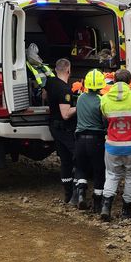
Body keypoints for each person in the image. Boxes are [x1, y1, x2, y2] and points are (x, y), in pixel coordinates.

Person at [99, 69, 131, 221]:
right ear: (130, 82)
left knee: (112, 175)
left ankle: (106, 206)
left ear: (113, 80)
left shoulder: (105, 99)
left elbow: (104, 118)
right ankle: (126, 211)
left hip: (112, 146)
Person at [74, 69, 107, 212]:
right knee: (99, 171)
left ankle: (81, 194)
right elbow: (104, 122)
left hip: (80, 140)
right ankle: (97, 203)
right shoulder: (101, 100)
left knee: (81, 168)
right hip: (96, 141)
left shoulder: (80, 98)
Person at [45, 58, 77, 204]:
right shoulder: (65, 89)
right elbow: (65, 114)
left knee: (65, 161)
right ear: (68, 70)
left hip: (54, 126)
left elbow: (44, 96)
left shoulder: (50, 82)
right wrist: (80, 104)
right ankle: (77, 192)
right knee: (77, 157)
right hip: (64, 129)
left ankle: (68, 195)